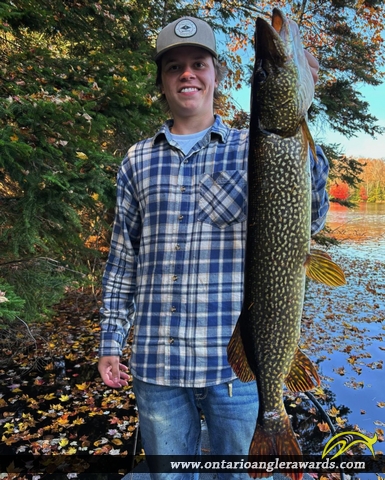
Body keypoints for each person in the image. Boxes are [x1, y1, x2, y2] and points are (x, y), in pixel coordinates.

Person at [98, 16, 329, 480]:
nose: (188, 74)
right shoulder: (136, 159)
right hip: (156, 366)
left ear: (217, 76)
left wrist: (304, 114)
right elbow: (123, 258)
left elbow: (314, 213)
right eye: (174, 66)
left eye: (199, 63)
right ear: (162, 82)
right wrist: (110, 341)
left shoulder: (255, 145)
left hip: (238, 364)